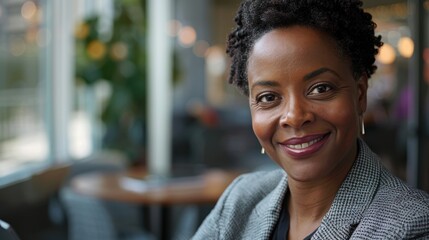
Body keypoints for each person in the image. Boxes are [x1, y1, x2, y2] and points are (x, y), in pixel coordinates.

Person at [192, 0, 429, 239]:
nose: (294, 117)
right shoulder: (240, 200)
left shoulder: (412, 225)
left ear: (359, 94)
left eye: (320, 88)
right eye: (268, 97)